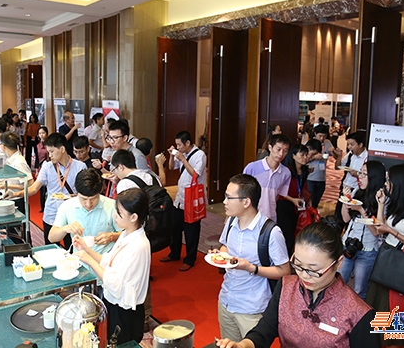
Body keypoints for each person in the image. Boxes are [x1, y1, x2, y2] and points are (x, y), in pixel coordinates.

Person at [216, 222, 379, 348]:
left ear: (338, 264)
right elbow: (265, 330)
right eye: (299, 266)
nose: (304, 276)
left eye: (314, 270)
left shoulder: (359, 313)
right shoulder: (286, 286)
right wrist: (243, 345)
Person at [211, 174, 290, 342]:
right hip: (226, 300)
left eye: (229, 197)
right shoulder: (231, 222)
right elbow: (226, 247)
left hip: (252, 308)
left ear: (246, 202)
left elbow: (284, 271)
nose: (224, 202)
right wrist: (219, 255)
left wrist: (251, 268)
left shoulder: (271, 232)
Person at [73, 188, 151, 345]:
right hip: (115, 303)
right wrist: (86, 249)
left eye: (119, 213)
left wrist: (89, 260)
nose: (115, 216)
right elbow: (109, 260)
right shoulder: (126, 234)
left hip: (125, 310)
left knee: (120, 342)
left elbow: (115, 283)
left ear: (134, 217)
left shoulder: (139, 246)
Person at [365, 164, 404, 346]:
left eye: (389, 180)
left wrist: (391, 231)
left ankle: (396, 340)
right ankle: (380, 338)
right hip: (388, 253)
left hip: (402, 259)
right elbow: (380, 227)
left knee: (398, 304)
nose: (386, 183)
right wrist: (381, 204)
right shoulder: (397, 202)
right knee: (380, 300)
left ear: (400, 182)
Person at [6, 133, 86, 245]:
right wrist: (15, 194)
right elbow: (34, 188)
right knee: (51, 249)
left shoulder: (80, 167)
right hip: (51, 214)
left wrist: (77, 196)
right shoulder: (47, 166)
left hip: (72, 216)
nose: (50, 155)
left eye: (52, 151)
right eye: (49, 152)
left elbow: (85, 192)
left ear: (62, 149)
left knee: (73, 248)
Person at [160, 130, 207, 271]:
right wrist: (172, 155)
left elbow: (195, 175)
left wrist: (183, 160)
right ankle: (174, 253)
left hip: (192, 199)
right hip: (180, 199)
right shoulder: (182, 153)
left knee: (191, 231)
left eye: (180, 145)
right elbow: (171, 167)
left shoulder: (200, 155)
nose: (178, 147)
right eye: (176, 145)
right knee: (175, 228)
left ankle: (190, 259)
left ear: (188, 143)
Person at [338, 161, 385, 299]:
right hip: (348, 243)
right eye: (360, 173)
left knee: (359, 289)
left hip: (367, 249)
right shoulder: (356, 192)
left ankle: (357, 313)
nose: (360, 177)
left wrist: (361, 210)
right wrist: (346, 202)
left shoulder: (381, 199)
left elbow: (376, 231)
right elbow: (345, 219)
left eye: (365, 174)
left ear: (374, 177)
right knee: (339, 282)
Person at [49, 168, 120, 254]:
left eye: (93, 198)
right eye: (84, 199)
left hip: (106, 259)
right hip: (79, 260)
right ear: (77, 192)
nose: (88, 204)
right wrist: (66, 228)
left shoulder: (112, 206)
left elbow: (129, 235)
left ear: (100, 191)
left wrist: (112, 237)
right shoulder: (67, 206)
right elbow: (52, 238)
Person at [243, 134, 291, 222]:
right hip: (249, 215)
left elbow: (277, 196)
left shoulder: (286, 173)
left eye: (285, 151)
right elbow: (241, 192)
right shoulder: (252, 167)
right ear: (270, 147)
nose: (281, 154)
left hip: (270, 216)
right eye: (278, 149)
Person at [276, 144, 310, 255]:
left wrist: (307, 199)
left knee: (295, 231)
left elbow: (303, 187)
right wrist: (293, 200)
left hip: (296, 205)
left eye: (306, 155)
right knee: (287, 234)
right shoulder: (287, 171)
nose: (305, 157)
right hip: (284, 205)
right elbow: (280, 191)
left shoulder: (304, 171)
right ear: (294, 156)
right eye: (302, 155)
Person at [334, 132, 368, 221]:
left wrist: (357, 174)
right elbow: (337, 167)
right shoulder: (350, 154)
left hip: (356, 190)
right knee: (338, 214)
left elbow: (369, 176)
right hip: (345, 187)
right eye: (348, 144)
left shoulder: (367, 158)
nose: (349, 147)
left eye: (352, 144)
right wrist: (339, 156)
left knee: (351, 216)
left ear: (360, 145)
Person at [305, 125, 334, 209]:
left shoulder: (327, 143)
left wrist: (335, 152)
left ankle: (313, 215)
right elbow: (302, 161)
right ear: (315, 133)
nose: (322, 138)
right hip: (310, 177)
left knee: (316, 200)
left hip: (321, 177)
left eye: (324, 136)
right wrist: (314, 157)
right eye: (320, 136)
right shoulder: (308, 144)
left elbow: (334, 155)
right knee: (308, 201)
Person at [36, 126, 50, 213]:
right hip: (41, 167)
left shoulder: (50, 144)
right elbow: (37, 159)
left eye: (43, 133)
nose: (41, 135)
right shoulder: (37, 145)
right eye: (40, 133)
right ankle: (43, 206)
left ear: (47, 134)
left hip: (49, 166)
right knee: (41, 187)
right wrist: (37, 170)